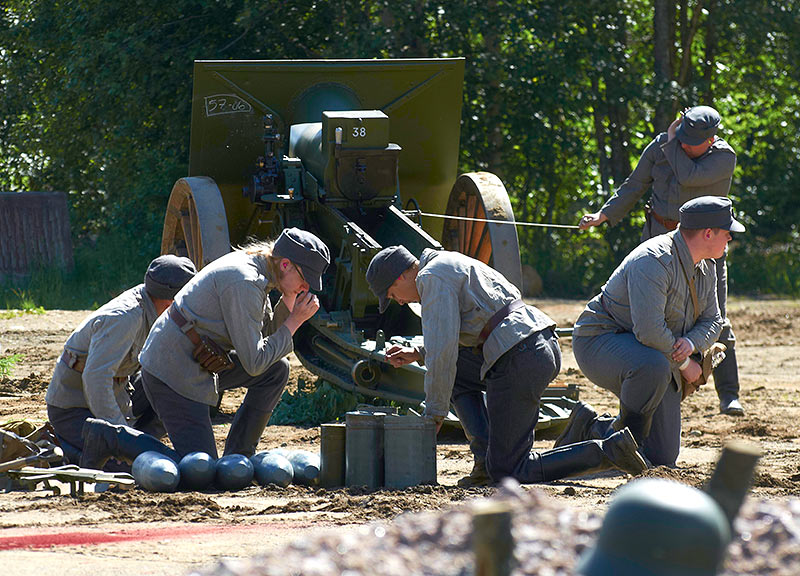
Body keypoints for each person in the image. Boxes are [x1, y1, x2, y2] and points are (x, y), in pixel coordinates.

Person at [366, 246, 646, 487]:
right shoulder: (446, 262)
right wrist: (418, 352)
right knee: (459, 379)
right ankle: (486, 461)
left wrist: (434, 415)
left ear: (402, 275)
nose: (399, 301)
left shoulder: (431, 278)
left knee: (510, 471)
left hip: (519, 359)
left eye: (392, 294)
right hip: (537, 345)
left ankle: (608, 451)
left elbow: (443, 354)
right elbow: (457, 337)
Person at [79, 228, 330, 469]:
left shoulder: (260, 273)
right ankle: (110, 438)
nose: (306, 288)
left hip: (197, 363)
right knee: (200, 469)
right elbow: (254, 361)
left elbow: (263, 346)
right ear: (285, 264)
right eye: (304, 279)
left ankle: (238, 457)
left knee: (276, 370)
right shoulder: (245, 281)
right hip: (173, 372)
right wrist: (294, 322)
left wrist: (288, 303)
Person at [579, 105, 743, 416]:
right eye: (681, 137)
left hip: (705, 248)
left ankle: (729, 394)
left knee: (715, 318)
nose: (682, 143)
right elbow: (634, 184)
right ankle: (648, 385)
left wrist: (669, 142)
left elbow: (687, 175)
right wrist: (605, 214)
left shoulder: (723, 157)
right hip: (658, 240)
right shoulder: (664, 144)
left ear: (711, 140)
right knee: (649, 316)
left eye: (690, 141)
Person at [568, 197, 745, 467]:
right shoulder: (654, 260)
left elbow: (714, 321)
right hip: (600, 341)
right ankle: (624, 444)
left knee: (661, 457)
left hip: (659, 352)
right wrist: (685, 363)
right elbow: (649, 331)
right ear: (708, 233)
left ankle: (593, 429)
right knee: (652, 367)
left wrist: (690, 342)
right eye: (726, 231)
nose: (730, 237)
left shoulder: (708, 265)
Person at [45, 255, 197, 465]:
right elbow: (96, 379)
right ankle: (65, 449)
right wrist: (121, 436)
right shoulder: (125, 317)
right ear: (173, 300)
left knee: (170, 386)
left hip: (117, 396)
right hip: (74, 409)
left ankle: (141, 444)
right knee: (124, 468)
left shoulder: (154, 306)